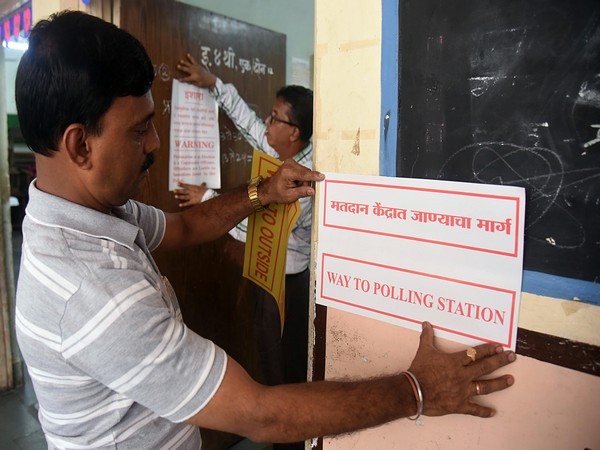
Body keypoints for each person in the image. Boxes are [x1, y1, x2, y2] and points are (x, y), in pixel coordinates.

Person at [14, 10, 516, 450]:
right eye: (140, 130)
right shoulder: (91, 289)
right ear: (80, 146)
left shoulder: (96, 214)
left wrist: (262, 193)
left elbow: (186, 227)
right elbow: (260, 413)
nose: (154, 145)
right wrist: (419, 390)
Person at [174, 55, 314, 388]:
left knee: (281, 367)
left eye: (274, 118)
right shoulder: (289, 151)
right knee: (270, 360)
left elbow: (263, 230)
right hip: (271, 275)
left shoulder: (303, 181)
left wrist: (208, 201)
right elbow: (251, 126)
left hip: (285, 286)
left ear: (293, 132)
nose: (266, 121)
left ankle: (287, 437)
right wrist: (215, 85)